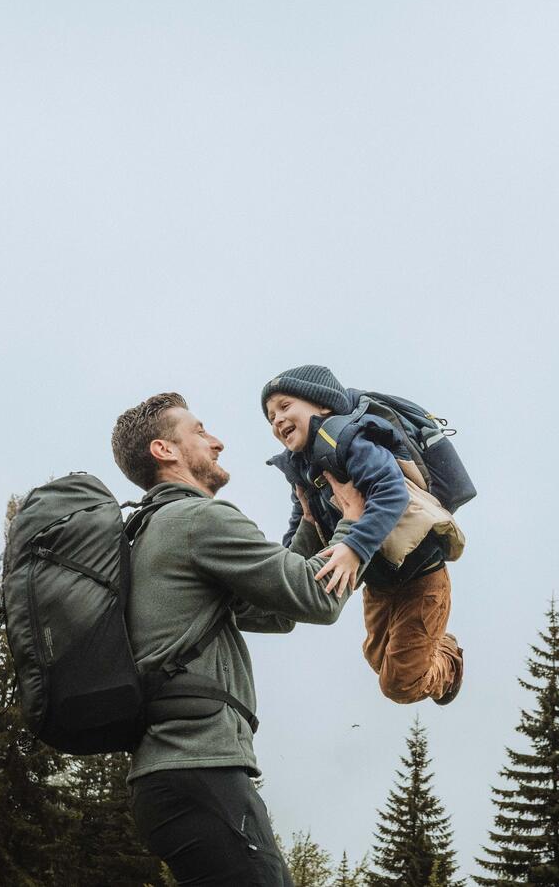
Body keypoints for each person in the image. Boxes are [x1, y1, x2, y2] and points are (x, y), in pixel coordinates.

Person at [110, 391, 365, 887]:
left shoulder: (149, 533)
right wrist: (355, 524)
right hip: (199, 768)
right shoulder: (199, 520)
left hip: (171, 777)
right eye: (200, 431)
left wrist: (312, 525)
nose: (217, 441)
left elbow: (279, 614)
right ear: (165, 450)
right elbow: (320, 600)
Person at [261, 364, 464, 706]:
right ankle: (426, 651)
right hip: (380, 584)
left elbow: (390, 492)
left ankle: (449, 661)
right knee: (378, 660)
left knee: (400, 683)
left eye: (285, 406)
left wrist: (353, 547)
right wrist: (286, 563)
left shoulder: (352, 440)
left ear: (322, 405)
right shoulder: (303, 466)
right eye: (269, 417)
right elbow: (302, 517)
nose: (277, 420)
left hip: (422, 577)